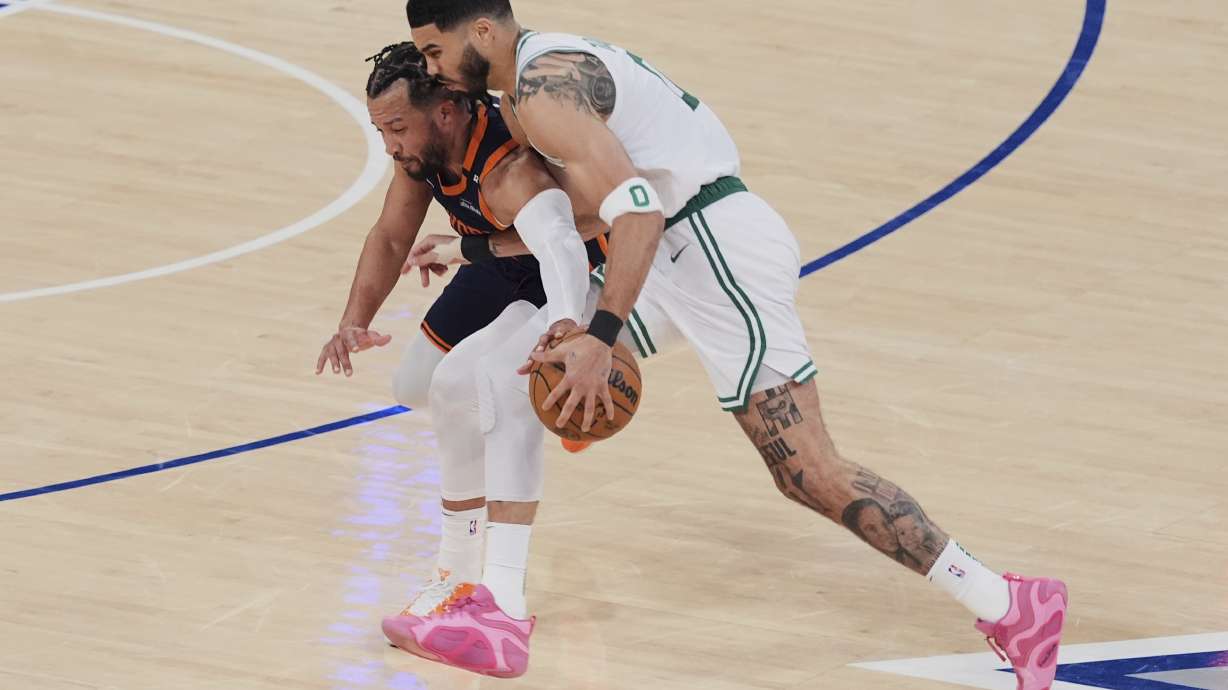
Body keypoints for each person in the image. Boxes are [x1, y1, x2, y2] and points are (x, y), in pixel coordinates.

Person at [394, 1, 1070, 687]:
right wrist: (476, 245)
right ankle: (498, 609)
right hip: (665, 249)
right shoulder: (530, 84)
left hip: (712, 250)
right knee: (509, 373)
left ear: (481, 31)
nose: (432, 69)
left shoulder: (542, 89)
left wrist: (601, 336)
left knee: (808, 472)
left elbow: (639, 207)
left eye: (434, 51)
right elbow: (594, 202)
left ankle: (1010, 602)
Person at [315, 41, 609, 620]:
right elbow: (390, 235)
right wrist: (354, 322)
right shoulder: (425, 154)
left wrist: (569, 334)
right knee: (416, 385)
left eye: (398, 128)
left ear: (445, 112)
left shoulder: (507, 167)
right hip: (499, 261)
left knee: (478, 388)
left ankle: (470, 567)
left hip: (569, 268)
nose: (391, 146)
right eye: (382, 133)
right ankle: (548, 422)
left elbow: (561, 245)